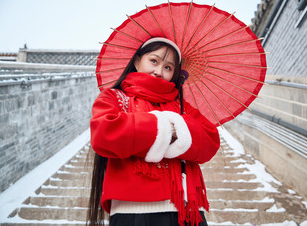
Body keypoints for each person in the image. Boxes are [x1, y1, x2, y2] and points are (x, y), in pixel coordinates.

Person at [87, 37, 220, 226]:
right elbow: (104, 134)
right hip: (133, 211)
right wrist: (169, 127)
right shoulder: (114, 97)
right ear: (136, 61)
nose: (159, 71)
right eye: (154, 61)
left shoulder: (182, 106)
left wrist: (164, 129)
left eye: (168, 67)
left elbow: (210, 140)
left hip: (188, 212)